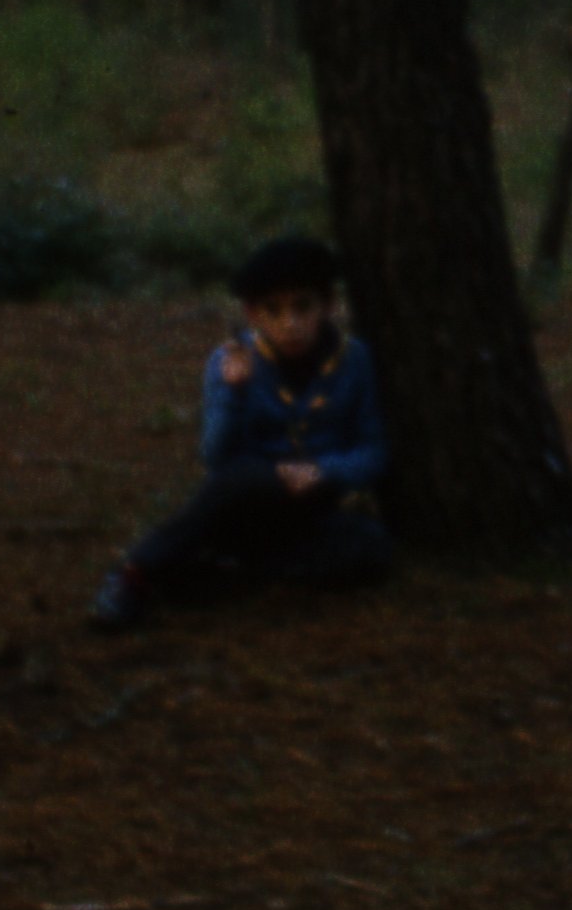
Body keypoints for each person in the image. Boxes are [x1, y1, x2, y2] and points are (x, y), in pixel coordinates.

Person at [90, 233, 390, 629]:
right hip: (245, 497)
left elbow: (372, 449)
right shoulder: (230, 361)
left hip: (311, 502)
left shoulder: (354, 360)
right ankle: (134, 575)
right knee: (244, 477)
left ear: (328, 305)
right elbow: (215, 456)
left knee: (370, 546)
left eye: (303, 307)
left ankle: (233, 567)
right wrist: (234, 393)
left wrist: (326, 470)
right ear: (253, 314)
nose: (290, 323)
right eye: (273, 310)